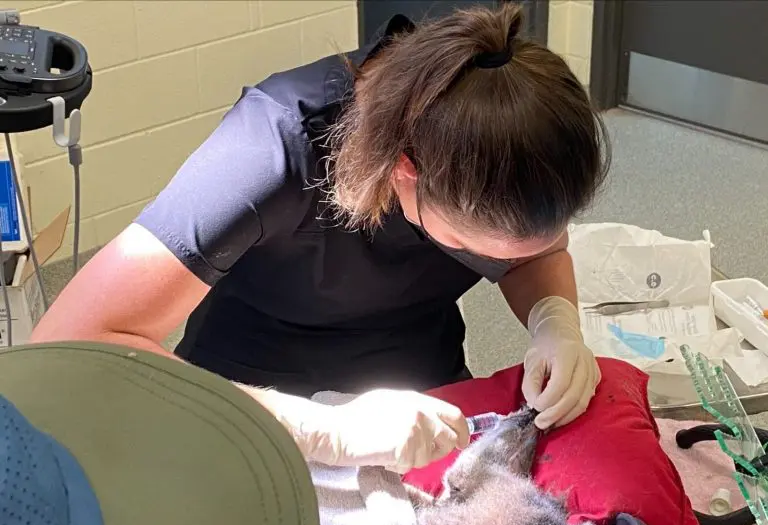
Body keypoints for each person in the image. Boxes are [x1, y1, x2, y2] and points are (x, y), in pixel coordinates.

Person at [31, 4, 610, 475]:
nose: (506, 259)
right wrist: (321, 431)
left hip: (418, 385)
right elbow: (67, 341)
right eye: (473, 242)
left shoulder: (495, 132)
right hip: (248, 388)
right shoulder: (270, 147)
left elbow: (536, 253)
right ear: (405, 171)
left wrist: (555, 320)